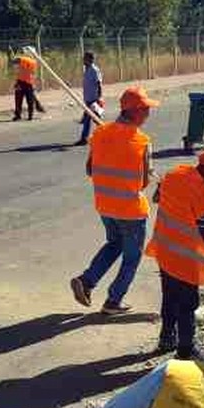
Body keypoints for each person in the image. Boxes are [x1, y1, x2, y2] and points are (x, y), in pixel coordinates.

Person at [71, 86, 157, 315]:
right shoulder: (142, 142)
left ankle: (87, 281)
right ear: (136, 111)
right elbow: (143, 183)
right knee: (131, 258)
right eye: (146, 109)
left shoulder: (100, 133)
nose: (149, 114)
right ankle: (113, 301)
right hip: (131, 210)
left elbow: (90, 169)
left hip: (105, 206)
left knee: (114, 244)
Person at [146, 147, 204, 358]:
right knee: (188, 304)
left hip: (164, 250)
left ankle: (166, 338)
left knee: (169, 298)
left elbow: (158, 197)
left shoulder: (175, 174)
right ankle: (186, 350)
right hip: (184, 259)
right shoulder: (203, 195)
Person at [75, 51, 103, 146]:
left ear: (90, 59)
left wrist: (99, 97)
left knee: (94, 120)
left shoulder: (94, 70)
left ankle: (85, 138)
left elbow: (99, 84)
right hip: (88, 99)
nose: (83, 60)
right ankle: (85, 138)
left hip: (93, 99)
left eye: (85, 58)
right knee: (93, 119)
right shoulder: (86, 69)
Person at [12, 54, 44, 121]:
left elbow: (17, 61)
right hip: (25, 82)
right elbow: (19, 71)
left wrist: (15, 60)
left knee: (21, 100)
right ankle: (29, 115)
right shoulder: (32, 62)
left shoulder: (27, 61)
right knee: (28, 100)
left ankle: (20, 115)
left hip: (24, 82)